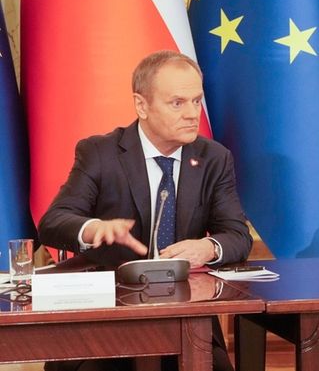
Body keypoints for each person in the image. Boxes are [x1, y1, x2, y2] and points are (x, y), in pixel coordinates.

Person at [39, 50, 253, 371]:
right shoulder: (100, 153)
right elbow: (53, 222)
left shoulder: (213, 158)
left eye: (196, 101)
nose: (192, 113)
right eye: (177, 103)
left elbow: (237, 235)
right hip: (107, 317)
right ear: (142, 105)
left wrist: (207, 247)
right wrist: (94, 228)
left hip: (185, 317)